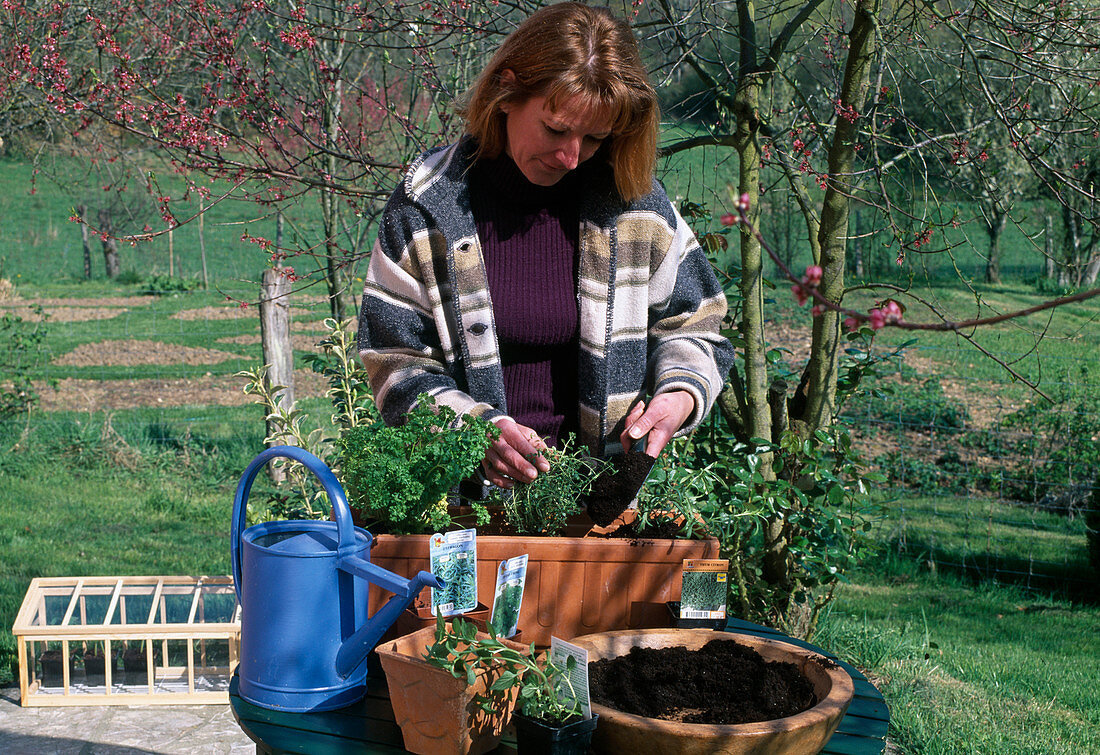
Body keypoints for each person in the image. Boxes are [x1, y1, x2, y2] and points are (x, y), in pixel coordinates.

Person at [357, 2, 734, 492]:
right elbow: (395, 360)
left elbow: (696, 326)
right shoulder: (426, 208)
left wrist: (679, 395)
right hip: (462, 507)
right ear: (506, 92)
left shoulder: (634, 208)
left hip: (598, 504)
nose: (572, 157)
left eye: (595, 138)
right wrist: (471, 431)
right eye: (556, 129)